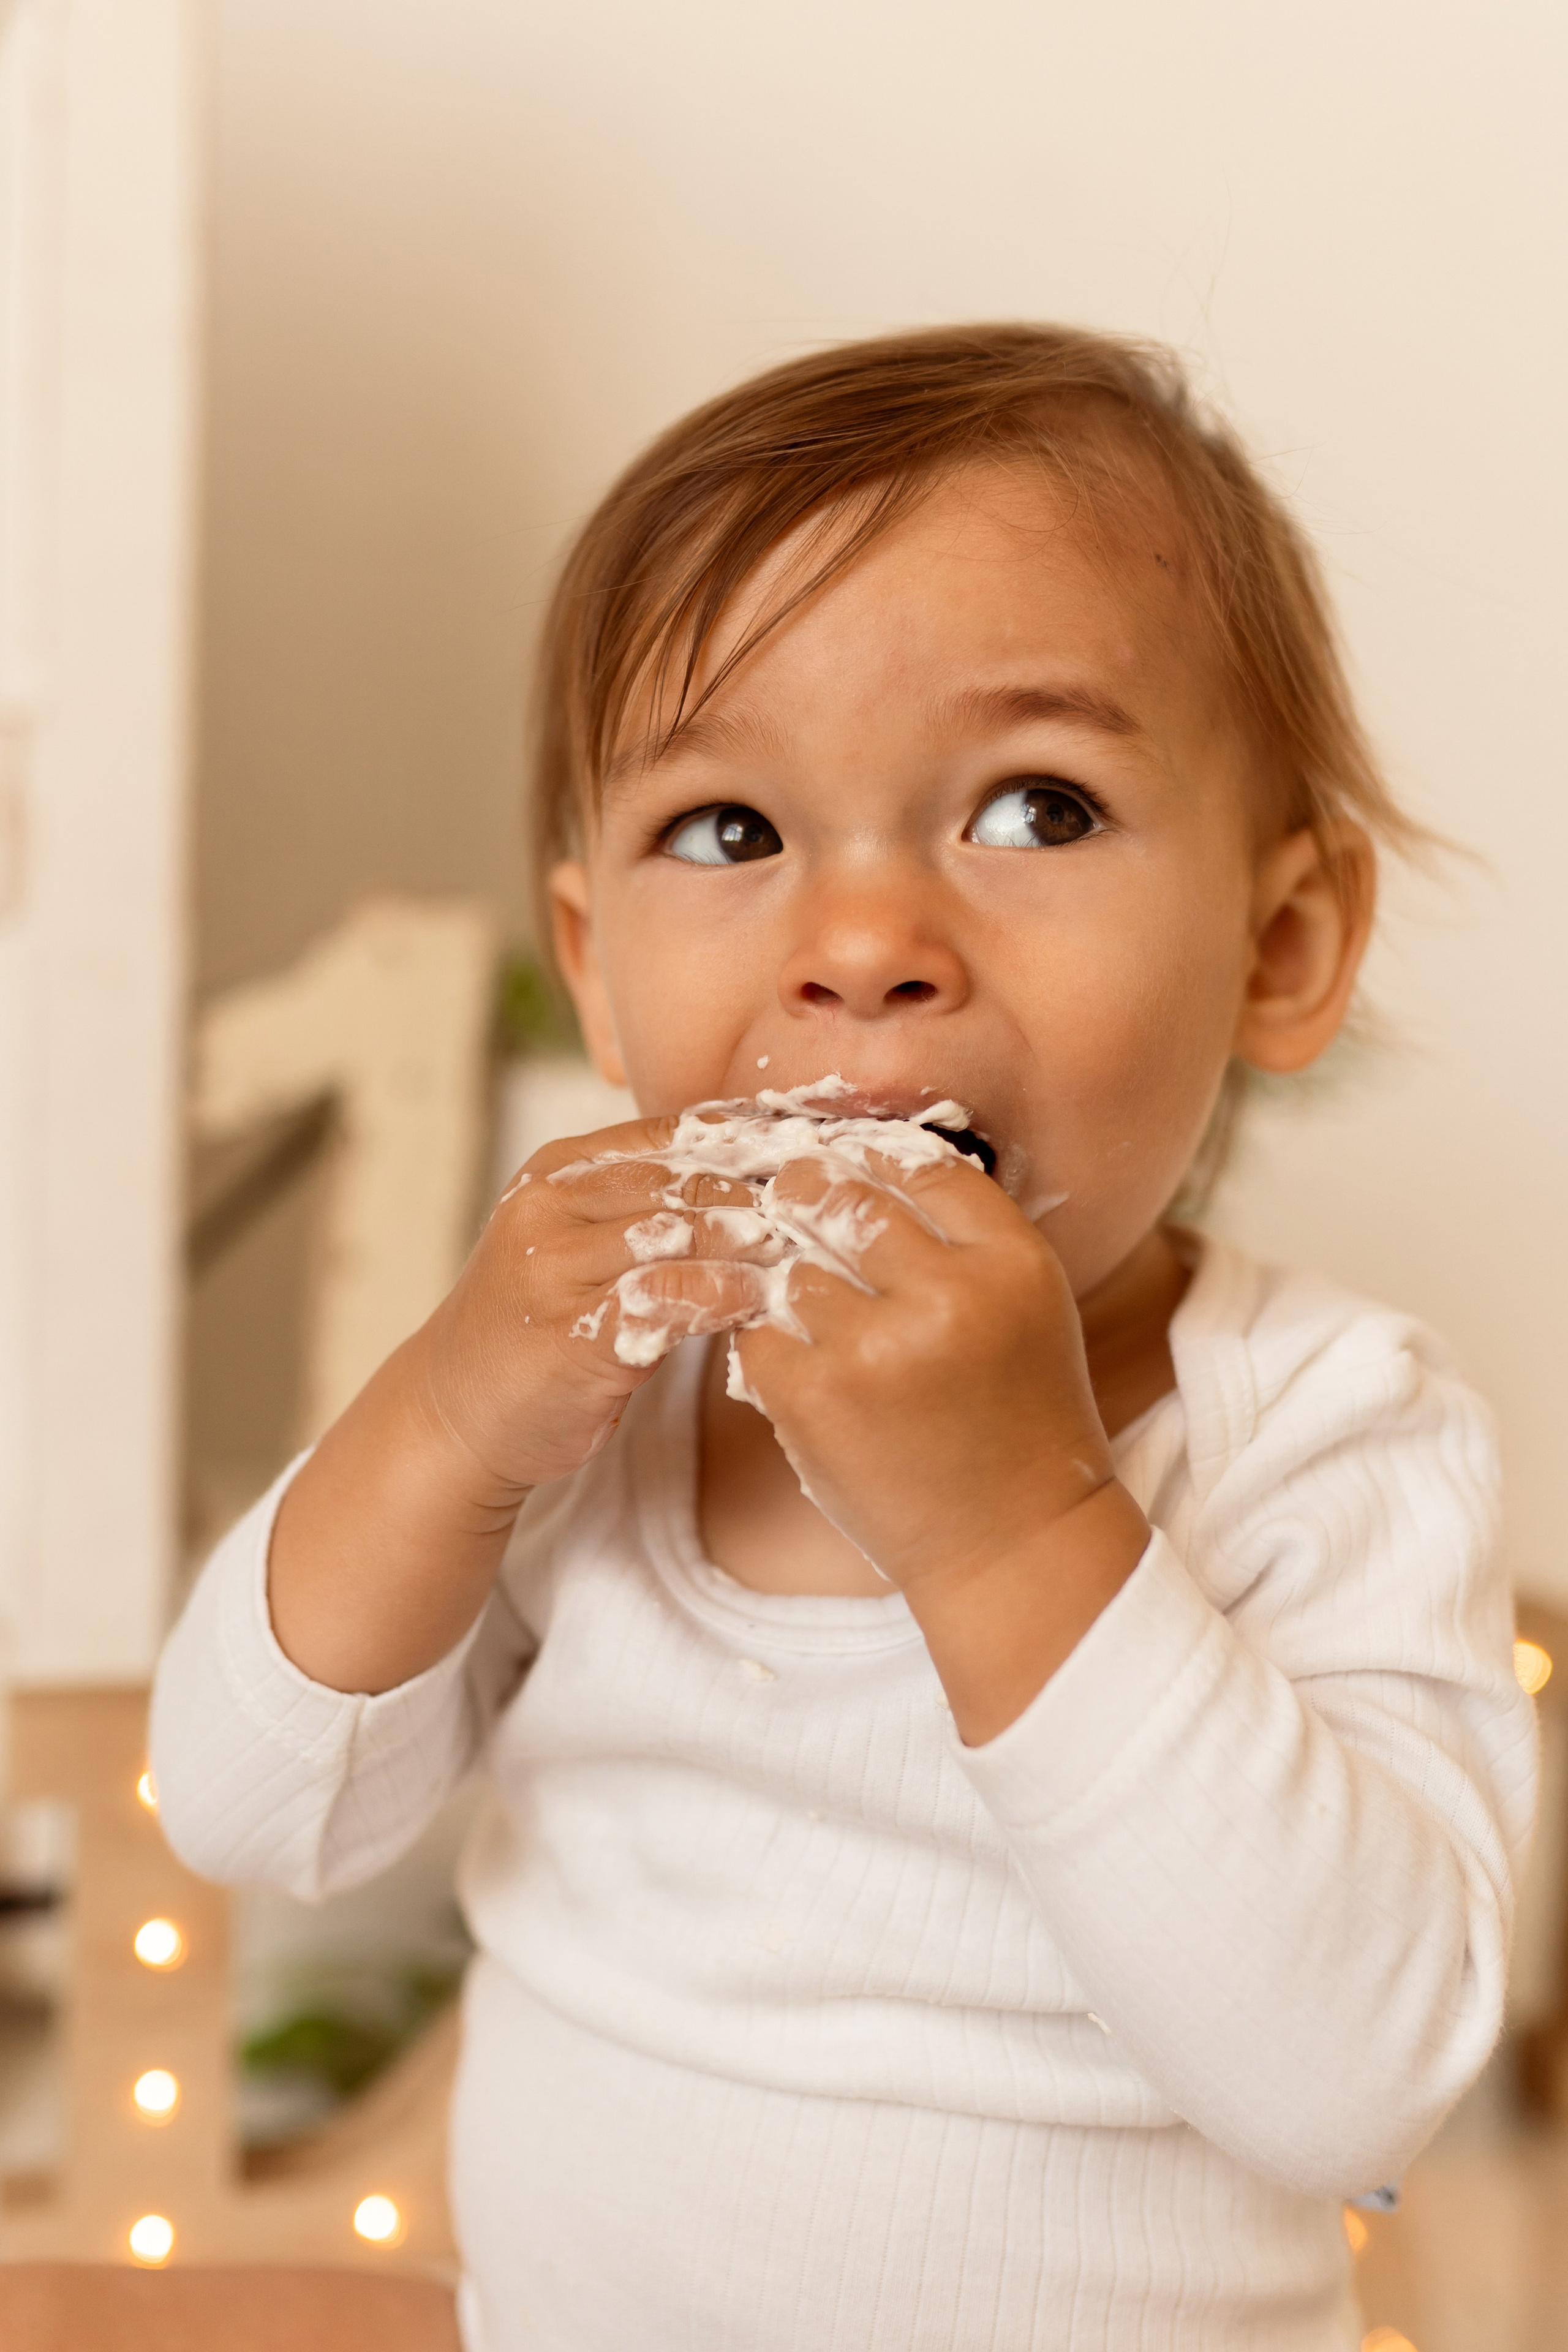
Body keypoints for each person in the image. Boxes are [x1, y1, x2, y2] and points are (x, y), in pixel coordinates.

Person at [148, 325, 1536, 2351]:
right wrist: (445, 1419)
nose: (865, 942)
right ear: (597, 975)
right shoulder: (587, 1407)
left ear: (1281, 946)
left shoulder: (1327, 1432)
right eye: (730, 833)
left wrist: (1013, 1524)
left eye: (1036, 807)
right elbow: (249, 1809)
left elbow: (1354, 2077)